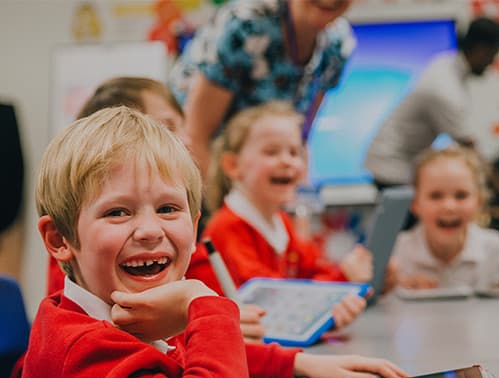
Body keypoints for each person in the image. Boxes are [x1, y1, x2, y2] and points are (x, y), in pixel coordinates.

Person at [13, 107, 407, 378]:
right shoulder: (82, 347)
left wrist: (296, 363)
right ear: (59, 240)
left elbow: (187, 354)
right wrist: (203, 301)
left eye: (168, 208)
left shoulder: (125, 313)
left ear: (195, 223)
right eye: (118, 213)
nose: (149, 230)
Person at [45, 76, 265, 342]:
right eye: (167, 128)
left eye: (168, 208)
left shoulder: (160, 253)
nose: (187, 141)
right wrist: (206, 315)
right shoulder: (84, 324)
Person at [202, 101, 374, 328]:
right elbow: (273, 302)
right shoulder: (227, 227)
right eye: (271, 152)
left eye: (295, 152)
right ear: (233, 165)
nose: (287, 161)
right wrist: (340, 279)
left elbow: (311, 268)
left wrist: (346, 282)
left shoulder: (280, 221)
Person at [169, 0, 356, 179]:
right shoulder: (246, 24)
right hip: (198, 170)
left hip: (256, 179)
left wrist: (298, 200)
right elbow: (195, 139)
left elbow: (301, 139)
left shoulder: (337, 43)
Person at [364, 16, 499, 188]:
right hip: (393, 168)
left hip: (396, 162)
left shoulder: (444, 62)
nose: (493, 62)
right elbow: (471, 151)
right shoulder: (447, 91)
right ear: (482, 50)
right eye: (494, 54)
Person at [391, 145, 499, 290]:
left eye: (461, 195)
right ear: (415, 204)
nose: (449, 206)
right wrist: (399, 289)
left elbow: (498, 308)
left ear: (479, 202)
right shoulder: (396, 253)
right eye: (435, 196)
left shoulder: (496, 250)